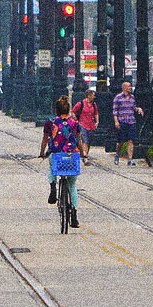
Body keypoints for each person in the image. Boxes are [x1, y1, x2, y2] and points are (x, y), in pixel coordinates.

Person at [38, 94, 83, 226]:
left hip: (56, 154)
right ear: (68, 110)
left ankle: (53, 188)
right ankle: (74, 216)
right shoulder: (74, 123)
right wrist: (83, 153)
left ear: (56, 110)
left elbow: (45, 139)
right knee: (72, 185)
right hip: (71, 156)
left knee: (52, 168)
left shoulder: (50, 122)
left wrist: (42, 153)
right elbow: (79, 140)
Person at [111, 80, 143, 164]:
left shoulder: (132, 97)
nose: (130, 88)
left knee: (131, 140)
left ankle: (130, 159)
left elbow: (134, 107)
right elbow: (115, 111)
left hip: (131, 121)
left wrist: (138, 109)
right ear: (124, 88)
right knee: (121, 141)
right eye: (129, 86)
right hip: (122, 121)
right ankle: (117, 154)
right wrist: (116, 121)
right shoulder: (118, 97)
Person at [71, 88, 99, 155]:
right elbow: (72, 111)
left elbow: (96, 113)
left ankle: (85, 153)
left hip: (91, 125)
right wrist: (75, 118)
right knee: (85, 140)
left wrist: (97, 121)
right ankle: (85, 157)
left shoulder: (94, 105)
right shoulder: (81, 103)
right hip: (82, 124)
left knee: (88, 141)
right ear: (89, 96)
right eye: (93, 95)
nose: (94, 97)